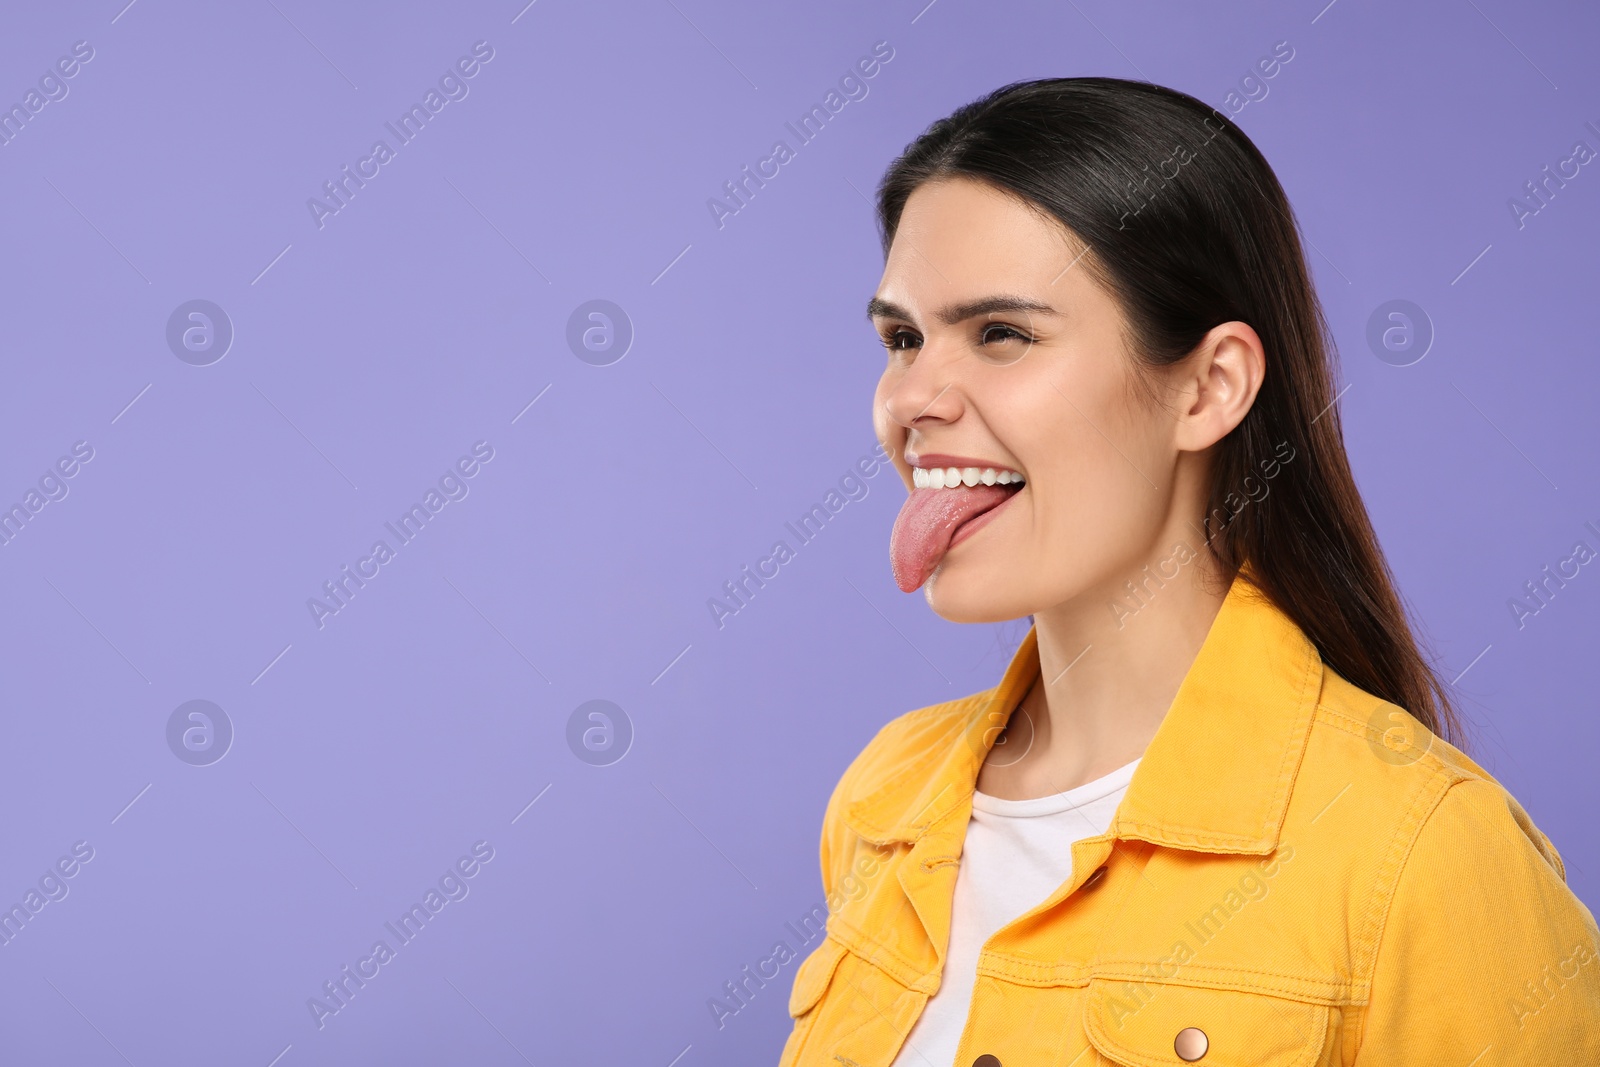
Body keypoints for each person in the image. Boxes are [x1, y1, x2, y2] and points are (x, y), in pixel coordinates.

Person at [778, 77, 1600, 1067]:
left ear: (1209, 388)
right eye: (903, 338)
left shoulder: (1422, 849)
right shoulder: (884, 799)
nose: (910, 397)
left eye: (1002, 334)